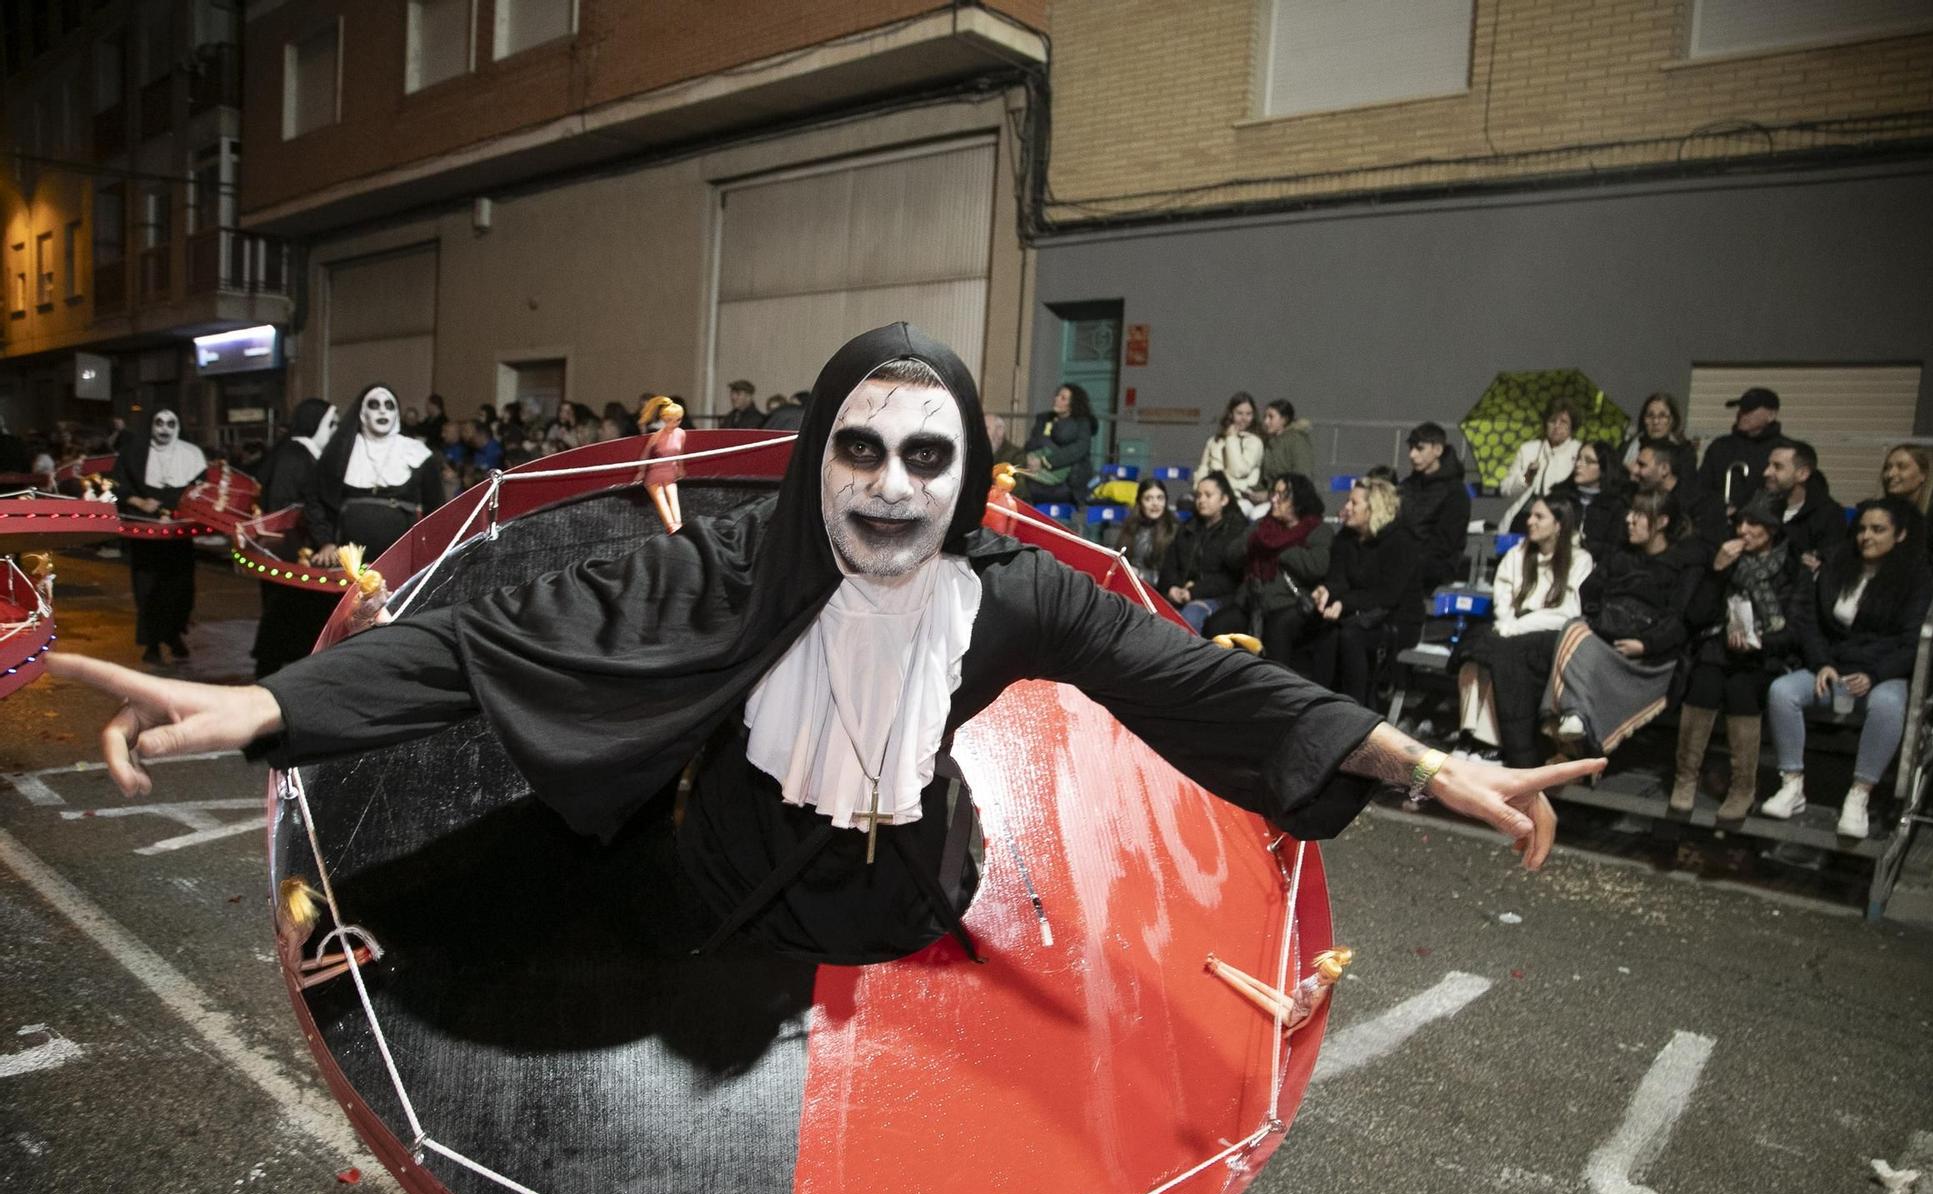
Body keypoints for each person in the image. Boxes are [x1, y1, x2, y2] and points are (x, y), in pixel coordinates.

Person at [49, 324, 1599, 972]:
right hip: (729, 867)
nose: (890, 489)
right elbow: (480, 648)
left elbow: (1204, 682)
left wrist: (1426, 763)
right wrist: (245, 703)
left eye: (928, 459)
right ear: (816, 462)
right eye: (859, 451)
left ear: (967, 472)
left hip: (919, 877)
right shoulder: (724, 572)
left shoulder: (1013, 599)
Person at [1761, 498, 1931, 839]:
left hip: (1882, 672)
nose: (1866, 536)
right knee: (1783, 692)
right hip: (1836, 666)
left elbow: (1912, 642)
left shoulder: (1915, 577)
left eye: (1878, 529)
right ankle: (1791, 784)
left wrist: (1875, 675)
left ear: (1899, 535)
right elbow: (1812, 626)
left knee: (1889, 704)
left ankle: (1859, 794)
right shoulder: (1838, 565)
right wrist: (1822, 663)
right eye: (1863, 529)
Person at [1542, 489, 1705, 758]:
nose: (1629, 519)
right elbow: (1590, 592)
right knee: (1574, 629)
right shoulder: (1621, 554)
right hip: (1609, 637)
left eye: (1639, 515)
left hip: (1650, 656)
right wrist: (1600, 623)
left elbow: (1680, 620)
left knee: (1574, 638)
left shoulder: (1683, 564)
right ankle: (1575, 719)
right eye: (1631, 513)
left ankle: (1574, 731)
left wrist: (1645, 644)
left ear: (1662, 522)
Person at [1673, 494, 1800, 820]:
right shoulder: (1722, 559)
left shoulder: (1790, 566)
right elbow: (1696, 615)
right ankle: (1685, 779)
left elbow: (1797, 628)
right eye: (1740, 522)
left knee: (1740, 689)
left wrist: (1759, 642)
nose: (1743, 529)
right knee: (1704, 680)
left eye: (1753, 523)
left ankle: (1743, 788)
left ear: (1771, 529)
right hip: (1717, 647)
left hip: (1764, 656)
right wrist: (1717, 572)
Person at [1452, 497, 1592, 767]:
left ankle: (1491, 741)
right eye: (1531, 515)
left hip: (1548, 634)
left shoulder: (1579, 559)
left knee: (1501, 657)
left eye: (1540, 517)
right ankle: (1468, 733)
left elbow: (1567, 612)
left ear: (1559, 524)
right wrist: (1507, 623)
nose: (1530, 521)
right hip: (1510, 628)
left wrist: (1516, 627)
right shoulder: (1519, 553)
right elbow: (1502, 595)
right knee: (1474, 652)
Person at [1306, 478, 1424, 703]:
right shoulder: (1346, 537)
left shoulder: (1401, 542)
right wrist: (1326, 591)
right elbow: (1338, 579)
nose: (1346, 507)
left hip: (1396, 620)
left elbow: (1388, 595)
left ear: (1374, 509)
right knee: (1326, 632)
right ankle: (1318, 706)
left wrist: (1343, 603)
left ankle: (1355, 710)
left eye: (1354, 503)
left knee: (1351, 636)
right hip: (1358, 613)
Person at [304, 384, 445, 565]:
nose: (382, 411)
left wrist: (428, 556)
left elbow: (437, 510)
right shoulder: (340, 452)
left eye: (389, 406)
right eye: (374, 405)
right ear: (363, 414)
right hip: (348, 564)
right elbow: (315, 498)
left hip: (402, 563)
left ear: (396, 414)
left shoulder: (417, 453)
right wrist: (325, 542)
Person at [251, 399, 343, 678]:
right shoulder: (296, 456)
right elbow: (289, 508)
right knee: (283, 616)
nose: (336, 429)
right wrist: (322, 538)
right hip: (292, 552)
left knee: (291, 616)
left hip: (297, 550)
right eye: (332, 423)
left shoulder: (300, 453)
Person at [1204, 473, 1330, 669]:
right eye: (1274, 493)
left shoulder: (1317, 529)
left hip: (1289, 604)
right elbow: (1231, 555)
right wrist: (1252, 544)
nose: (1274, 499)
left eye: (1282, 495)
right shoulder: (1263, 527)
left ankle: (1276, 694)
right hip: (1253, 602)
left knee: (1277, 630)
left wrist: (1281, 549)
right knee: (1217, 626)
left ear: (1298, 501)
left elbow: (1317, 566)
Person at [111, 409, 207, 666]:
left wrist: (180, 510)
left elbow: (200, 490)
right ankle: (152, 644)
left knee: (180, 589)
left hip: (178, 537)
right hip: (146, 537)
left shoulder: (191, 454)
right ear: (151, 425)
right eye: (159, 423)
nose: (164, 429)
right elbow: (118, 486)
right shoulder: (133, 452)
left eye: (170, 423)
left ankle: (174, 636)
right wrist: (140, 502)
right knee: (148, 590)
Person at [1157, 472, 1248, 634]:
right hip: (1182, 593)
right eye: (1198, 495)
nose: (1201, 500)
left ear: (1224, 500)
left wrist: (1193, 592)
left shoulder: (1238, 531)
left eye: (1208, 495)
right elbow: (1170, 564)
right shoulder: (1187, 528)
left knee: (1191, 615)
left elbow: (1230, 578)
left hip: (1219, 598)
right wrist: (1172, 587)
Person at [1696, 387, 1800, 515]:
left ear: (1771, 415)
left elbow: (1792, 492)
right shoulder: (1721, 447)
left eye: (1749, 410)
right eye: (1741, 409)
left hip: (1766, 526)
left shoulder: (1786, 450)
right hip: (1720, 524)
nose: (1742, 414)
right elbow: (1702, 488)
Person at [1397, 421, 1471, 592]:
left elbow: (1444, 544)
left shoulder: (1455, 492)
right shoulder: (1408, 485)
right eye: (1411, 448)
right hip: (1404, 559)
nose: (1412, 455)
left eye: (1420, 448)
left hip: (1434, 568)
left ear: (1437, 450)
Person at [1630, 438, 1729, 555]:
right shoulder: (1636, 496)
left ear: (1664, 469)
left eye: (1642, 465)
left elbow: (1707, 551)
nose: (1634, 470)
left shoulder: (1704, 503)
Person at [1498, 398, 1583, 533]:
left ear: (1572, 427)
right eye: (1552, 421)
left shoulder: (1579, 452)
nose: (1557, 426)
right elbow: (1505, 490)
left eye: (1563, 422)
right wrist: (1527, 477)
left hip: (1559, 523)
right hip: (1523, 519)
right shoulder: (1528, 449)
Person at [1762, 440, 1845, 571]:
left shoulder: (1829, 514)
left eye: (1777, 467)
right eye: (1768, 465)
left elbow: (1830, 567)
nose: (1766, 472)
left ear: (1802, 474)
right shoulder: (1762, 505)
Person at [1547, 438, 1627, 563]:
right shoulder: (1559, 496)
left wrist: (1583, 544)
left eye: (1588, 461)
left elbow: (1614, 549)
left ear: (1604, 469)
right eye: (1578, 459)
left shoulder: (1616, 505)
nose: (1579, 464)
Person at [1879, 443, 1933, 563]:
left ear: (1923, 474)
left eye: (1902, 467)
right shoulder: (1888, 508)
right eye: (1887, 467)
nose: (1891, 474)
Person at [1017, 383, 1096, 507]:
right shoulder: (1045, 419)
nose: (1057, 399)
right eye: (1057, 395)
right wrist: (1029, 458)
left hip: (1067, 482)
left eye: (1063, 398)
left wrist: (1044, 461)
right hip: (1035, 471)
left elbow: (1078, 449)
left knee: (1021, 488)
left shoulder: (1082, 424)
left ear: (1072, 404)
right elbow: (1032, 443)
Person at [1196, 393, 1262, 507]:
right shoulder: (1213, 441)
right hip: (1210, 496)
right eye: (1239, 413)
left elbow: (1238, 471)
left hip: (1239, 498)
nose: (1244, 418)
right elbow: (1203, 469)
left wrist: (1232, 439)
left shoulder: (1254, 442)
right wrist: (1200, 491)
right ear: (1231, 414)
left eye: (1248, 414)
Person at [1113, 477, 1178, 587]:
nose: (1155, 503)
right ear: (1140, 502)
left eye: (1160, 498)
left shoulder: (1175, 530)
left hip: (1158, 592)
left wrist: (1140, 575)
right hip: (1130, 586)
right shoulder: (1130, 528)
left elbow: (1172, 577)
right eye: (1148, 499)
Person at [1620, 392, 1690, 481]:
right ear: (1644, 419)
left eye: (1662, 416)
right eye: (1650, 416)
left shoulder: (1684, 454)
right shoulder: (1627, 447)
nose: (1656, 421)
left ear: (1672, 420)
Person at [1257, 401, 1314, 495]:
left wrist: (1270, 495)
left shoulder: (1297, 441)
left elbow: (1302, 477)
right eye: (1265, 417)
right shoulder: (1269, 443)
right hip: (1272, 496)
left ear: (1284, 419)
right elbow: (1265, 479)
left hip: (1291, 499)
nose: (1266, 421)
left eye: (1271, 417)